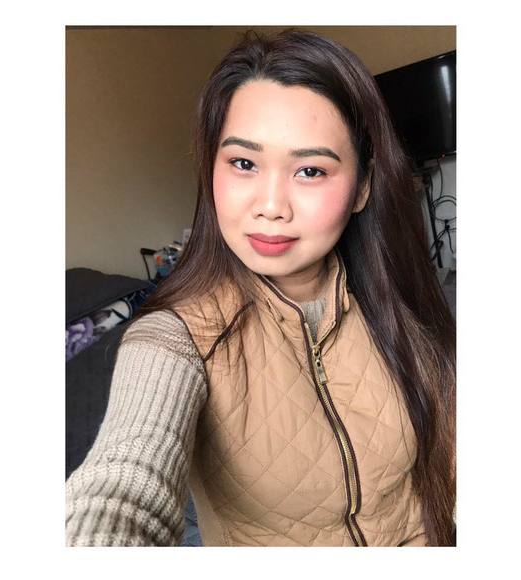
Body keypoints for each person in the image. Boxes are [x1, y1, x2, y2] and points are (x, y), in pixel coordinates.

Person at [66, 28, 456, 547]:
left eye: (310, 170)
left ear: (362, 187)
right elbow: (119, 490)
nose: (271, 206)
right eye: (244, 163)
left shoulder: (397, 297)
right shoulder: (173, 338)